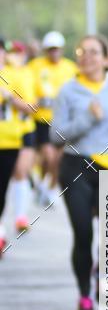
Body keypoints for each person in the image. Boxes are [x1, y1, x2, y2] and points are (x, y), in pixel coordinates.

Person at [51, 34, 108, 310]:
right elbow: (57, 134)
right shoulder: (68, 90)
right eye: (81, 51)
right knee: (83, 232)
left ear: (105, 58)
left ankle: (102, 275)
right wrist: (88, 118)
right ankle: (84, 295)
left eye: (93, 52)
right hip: (76, 165)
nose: (86, 57)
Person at [29, 31, 76, 206]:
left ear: (62, 49)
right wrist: (37, 101)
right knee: (48, 157)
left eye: (56, 49)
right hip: (42, 119)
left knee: (58, 159)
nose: (54, 52)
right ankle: (42, 185)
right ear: (45, 50)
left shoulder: (70, 68)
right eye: (50, 49)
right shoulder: (36, 66)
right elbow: (29, 89)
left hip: (63, 121)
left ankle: (48, 189)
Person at [0, 40, 36, 255]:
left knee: (8, 183)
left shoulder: (17, 75)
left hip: (11, 138)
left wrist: (10, 98)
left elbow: (31, 107)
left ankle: (16, 219)